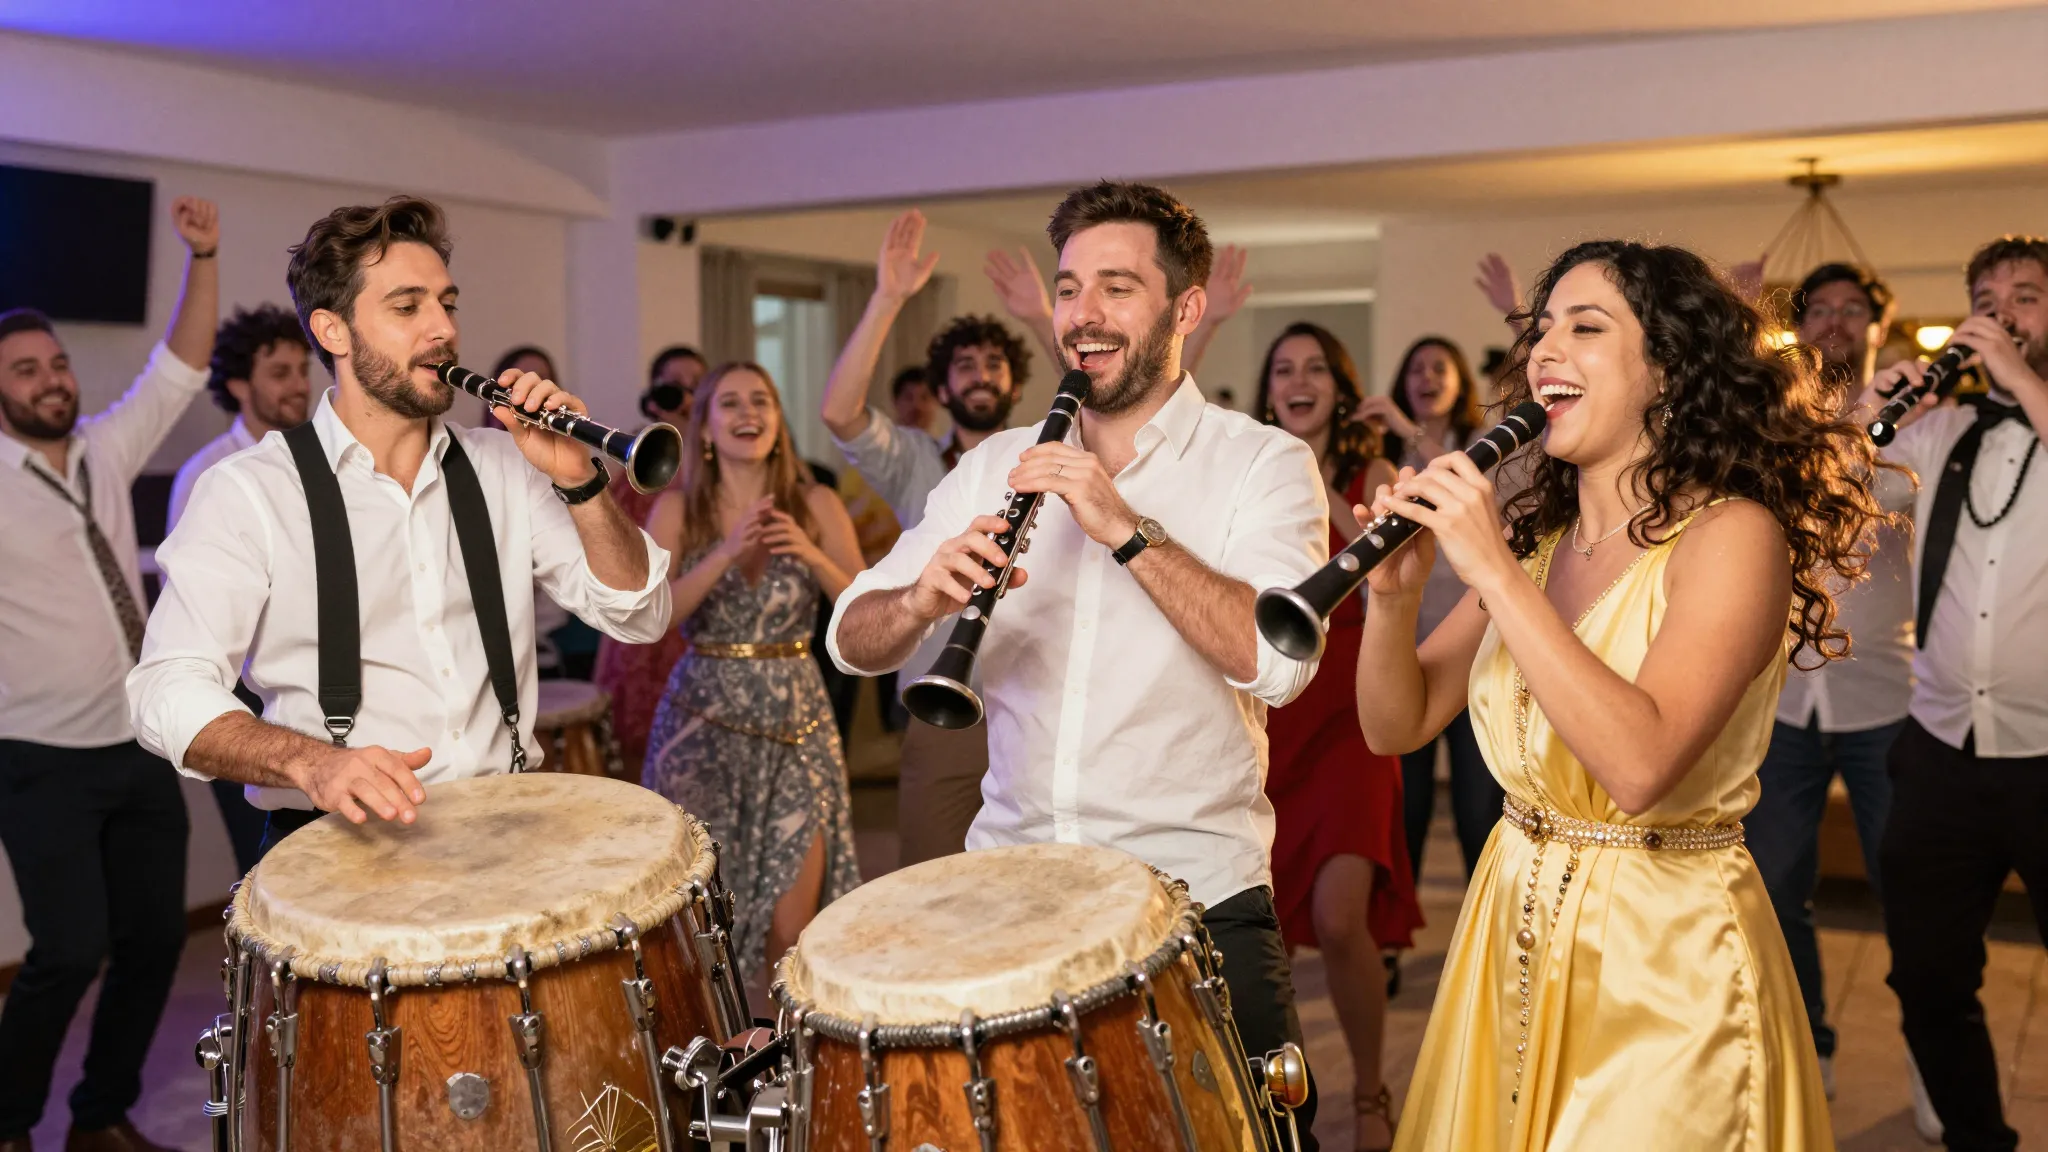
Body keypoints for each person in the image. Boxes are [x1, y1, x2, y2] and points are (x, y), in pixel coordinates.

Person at [829, 181, 1330, 1146]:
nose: (1082, 315)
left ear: (1186, 307)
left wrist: (1125, 528)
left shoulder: (1262, 463)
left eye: (1116, 288)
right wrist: (924, 597)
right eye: (1067, 289)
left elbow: (1277, 661)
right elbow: (851, 635)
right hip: (1011, 890)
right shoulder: (996, 464)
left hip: (1194, 898)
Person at [1363, 240, 1880, 1150]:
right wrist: (1392, 598)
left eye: (1586, 327)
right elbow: (1394, 725)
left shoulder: (1732, 537)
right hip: (1508, 926)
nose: (1544, 351)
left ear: (1668, 370)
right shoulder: (1537, 549)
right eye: (1541, 330)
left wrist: (1491, 572)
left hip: (1662, 958)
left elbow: (1640, 765)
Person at [128, 195, 671, 856]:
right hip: (334, 849)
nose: (442, 328)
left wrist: (580, 481)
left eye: (448, 304)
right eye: (408, 307)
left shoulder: (507, 466)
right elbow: (164, 688)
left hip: (506, 833)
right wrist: (313, 763)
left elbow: (640, 615)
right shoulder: (247, 490)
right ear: (333, 331)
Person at [0, 196, 219, 1152]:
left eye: (55, 364)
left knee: (157, 941)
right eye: (25, 370)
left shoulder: (107, 445)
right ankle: (7, 1122)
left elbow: (180, 366)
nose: (51, 380)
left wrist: (203, 256)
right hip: (38, 757)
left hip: (137, 746)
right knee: (67, 951)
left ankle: (100, 1117)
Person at [1865, 235, 2048, 1152]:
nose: (2002, 313)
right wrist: (1868, 410)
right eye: (1986, 300)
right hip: (1939, 751)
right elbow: (1835, 488)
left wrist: (2015, 374)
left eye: (2027, 297)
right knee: (1929, 978)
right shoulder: (1941, 434)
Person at [819, 209, 1036, 869]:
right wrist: (888, 298)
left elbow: (1128, 410)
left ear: (1015, 383)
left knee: (1034, 886)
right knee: (932, 878)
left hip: (1037, 703)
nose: (980, 375)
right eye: (965, 366)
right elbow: (839, 413)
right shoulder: (915, 459)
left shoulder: (1052, 454)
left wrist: (1042, 315)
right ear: (943, 387)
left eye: (994, 364)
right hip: (944, 707)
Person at [1744, 262, 1913, 1103]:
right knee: (1777, 887)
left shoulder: (1918, 422)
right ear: (1800, 326)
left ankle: (1930, 1048)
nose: (1836, 322)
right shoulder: (1770, 426)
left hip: (1888, 698)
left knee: (1909, 889)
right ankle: (1811, 1042)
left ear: (1879, 327)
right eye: (1821, 309)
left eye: (1854, 310)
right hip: (1784, 698)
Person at [643, 361, 865, 984]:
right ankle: (723, 1043)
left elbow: (865, 608)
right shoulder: (678, 507)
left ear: (778, 419)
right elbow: (655, 617)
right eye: (731, 403)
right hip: (701, 729)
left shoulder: (816, 502)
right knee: (701, 920)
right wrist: (726, 552)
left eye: (761, 401)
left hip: (796, 724)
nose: (749, 413)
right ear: (706, 427)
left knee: (791, 928)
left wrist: (810, 551)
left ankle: (783, 1046)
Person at [1256, 321, 1419, 1151]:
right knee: (1267, 931)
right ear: (1267, 390)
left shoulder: (1372, 475)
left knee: (1340, 914)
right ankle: (1275, 1102)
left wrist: (1316, 481)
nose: (1299, 380)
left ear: (1340, 387)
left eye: (1316, 368)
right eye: (1284, 369)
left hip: (1355, 715)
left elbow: (1376, 568)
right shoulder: (1248, 472)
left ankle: (1368, 1088)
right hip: (1273, 717)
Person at [167, 301, 313, 875]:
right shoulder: (208, 478)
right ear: (237, 385)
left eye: (302, 369)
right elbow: (194, 612)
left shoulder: (326, 462)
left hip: (317, 690)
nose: (299, 385)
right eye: (279, 373)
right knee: (266, 872)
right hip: (244, 702)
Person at [1359, 337, 1503, 887]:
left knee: (1477, 810)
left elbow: (1465, 480)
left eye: (1439, 367)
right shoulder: (1384, 453)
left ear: (1461, 380)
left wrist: (1409, 430)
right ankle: (1400, 929)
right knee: (1408, 810)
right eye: (1416, 368)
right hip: (1406, 649)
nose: (1427, 377)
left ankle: (1484, 914)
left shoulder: (1484, 444)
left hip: (1475, 653)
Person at [590, 345, 707, 773]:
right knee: (631, 743)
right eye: (675, 387)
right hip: (635, 617)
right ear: (654, 394)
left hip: (691, 617)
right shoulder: (632, 450)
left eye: (697, 387)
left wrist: (693, 432)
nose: (687, 397)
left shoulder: (713, 458)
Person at [889, 364, 939, 433]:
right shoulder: (882, 438)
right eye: (909, 398)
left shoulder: (945, 439)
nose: (917, 405)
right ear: (895, 402)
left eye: (924, 398)